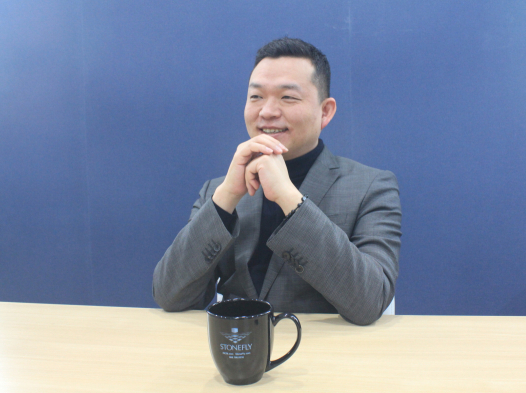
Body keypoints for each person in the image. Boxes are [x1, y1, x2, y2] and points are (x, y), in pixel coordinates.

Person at [153, 37, 401, 325]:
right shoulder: (218, 191)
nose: (267, 111)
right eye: (256, 97)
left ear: (325, 111)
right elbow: (169, 296)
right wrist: (227, 196)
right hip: (238, 346)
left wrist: (289, 198)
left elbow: (369, 302)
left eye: (287, 97)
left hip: (328, 348)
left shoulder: (371, 187)